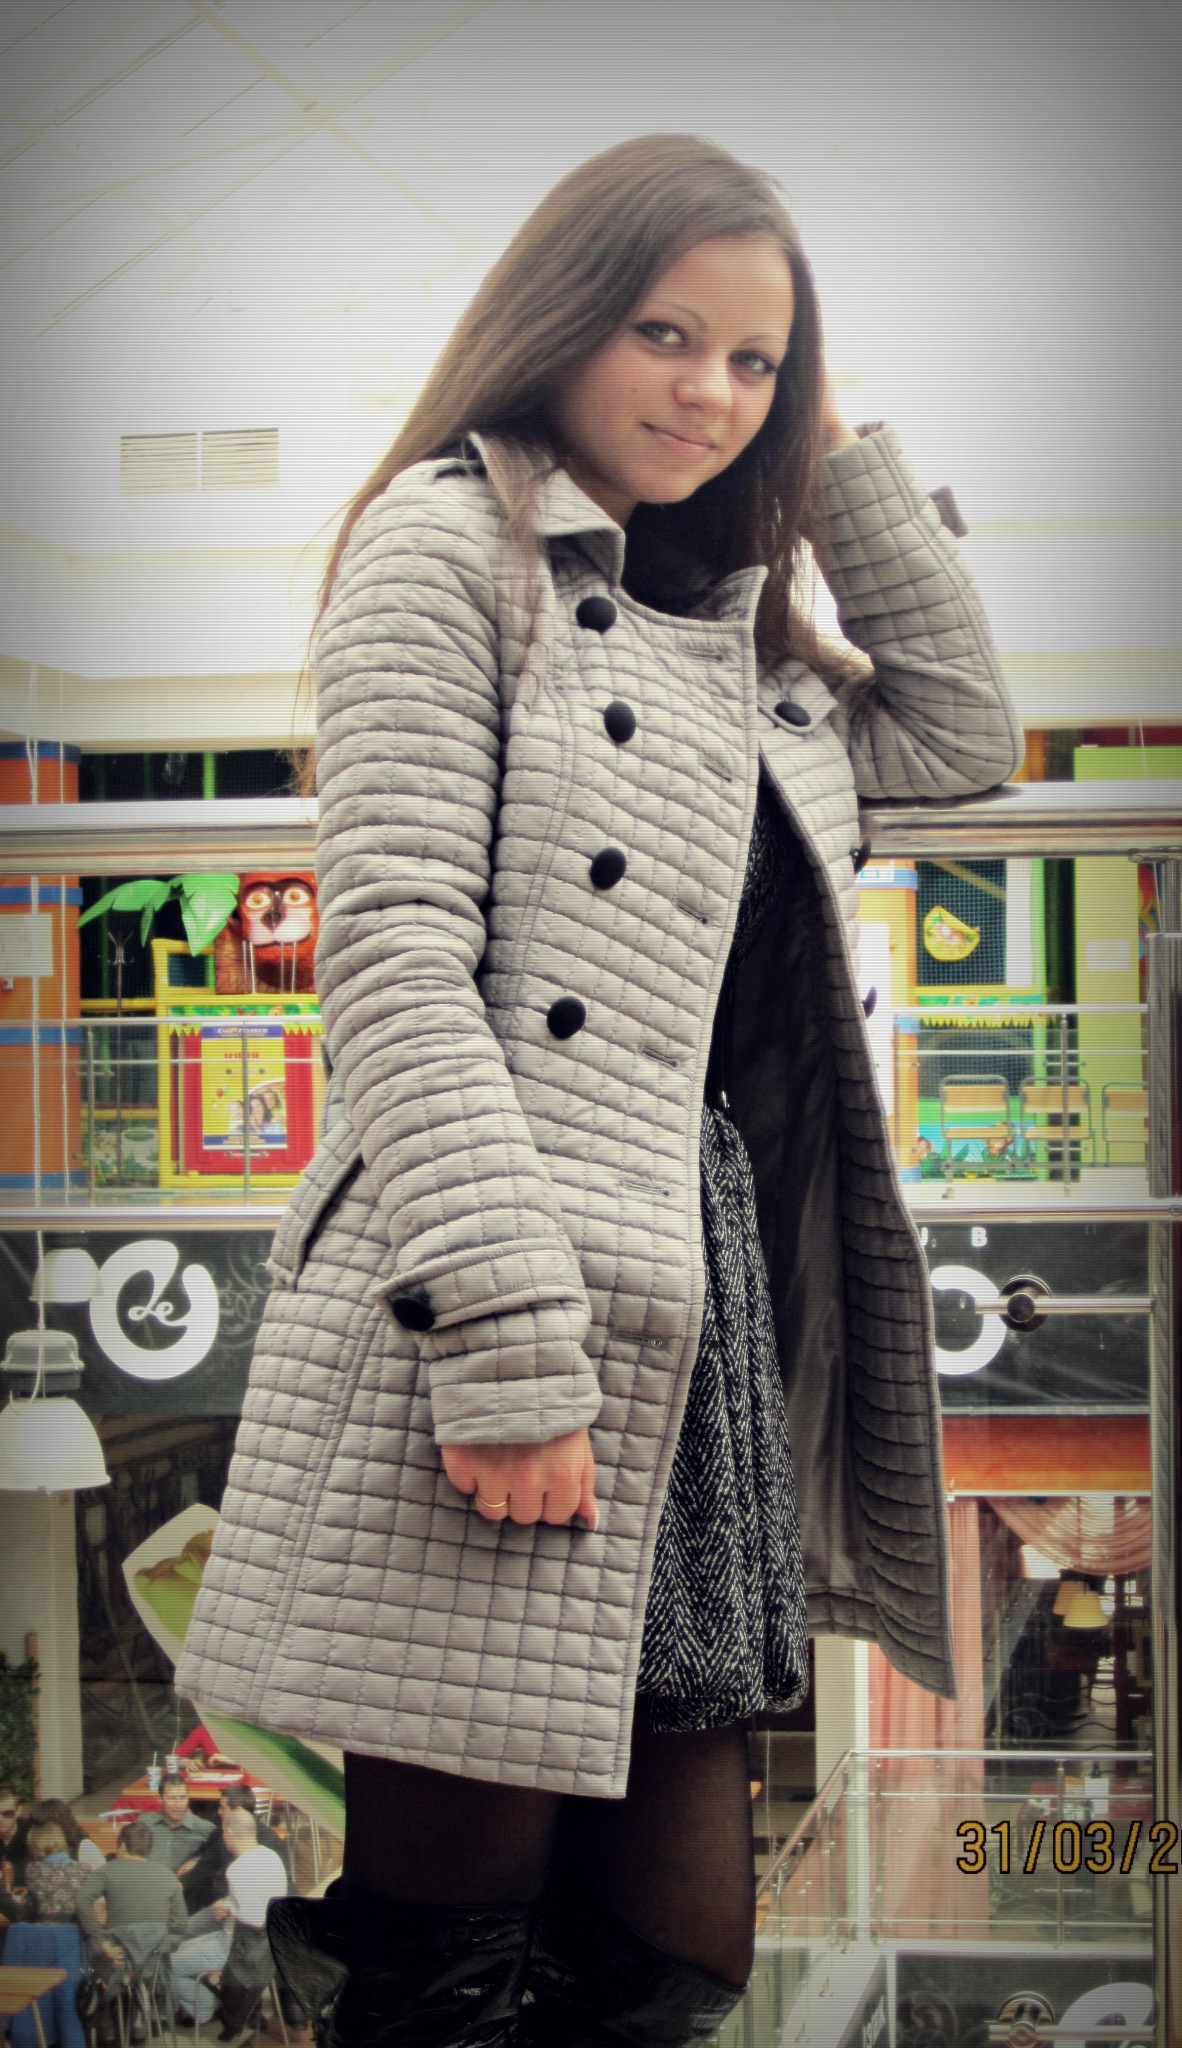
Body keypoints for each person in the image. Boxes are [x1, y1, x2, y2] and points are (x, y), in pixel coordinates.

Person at [176, 132, 1022, 2045]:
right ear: (557, 320)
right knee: (451, 1961)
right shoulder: (441, 541)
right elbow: (396, 961)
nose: (708, 393)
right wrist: (504, 1349)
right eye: (664, 333)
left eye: (753, 361)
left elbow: (964, 728)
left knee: (670, 1961)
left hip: (693, 1319)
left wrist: (831, 450)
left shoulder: (741, 642)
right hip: (503, 1293)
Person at [171, 1808, 286, 2033]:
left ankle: (207, 2006)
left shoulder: (237, 1869)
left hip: (237, 1948)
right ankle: (210, 1999)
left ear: (229, 1833)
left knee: (166, 1963)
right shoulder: (272, 1856)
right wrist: (230, 1903)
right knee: (179, 1948)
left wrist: (228, 1906)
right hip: (266, 1947)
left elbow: (254, 1919)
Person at [180, 1785, 291, 1915]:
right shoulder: (221, 1834)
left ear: (238, 1810)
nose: (218, 1812)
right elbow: (204, 1865)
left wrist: (227, 1906)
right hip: (224, 1903)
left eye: (223, 1807)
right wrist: (196, 1860)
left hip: (245, 1912)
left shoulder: (268, 1843)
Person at [0, 1819, 88, 1923]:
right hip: (75, 1930)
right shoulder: (84, 1869)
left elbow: (28, 1912)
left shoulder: (34, 1869)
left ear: (34, 1846)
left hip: (41, 1930)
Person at [142, 1773, 214, 1875]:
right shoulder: (145, 1822)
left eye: (182, 1798)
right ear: (160, 1799)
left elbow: (219, 1853)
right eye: (172, 1798)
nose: (178, 1805)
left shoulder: (205, 1828)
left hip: (183, 1883)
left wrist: (197, 1861)